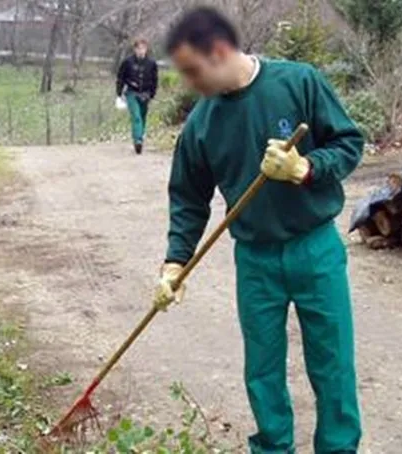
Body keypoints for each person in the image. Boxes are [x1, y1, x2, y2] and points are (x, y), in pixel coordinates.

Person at [153, 7, 365, 454]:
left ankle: (339, 447)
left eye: (196, 71)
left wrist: (306, 167)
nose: (193, 84)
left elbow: (348, 142)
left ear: (222, 50)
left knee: (333, 363)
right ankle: (271, 447)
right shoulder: (202, 123)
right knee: (263, 368)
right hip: (255, 258)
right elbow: (188, 199)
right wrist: (175, 262)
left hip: (315, 247)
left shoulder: (298, 81)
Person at [116, 37, 159, 154]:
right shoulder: (127, 62)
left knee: (143, 116)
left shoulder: (151, 63)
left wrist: (152, 93)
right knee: (136, 117)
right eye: (138, 48)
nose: (141, 51)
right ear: (135, 49)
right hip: (132, 92)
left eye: (143, 48)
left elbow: (155, 79)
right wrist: (119, 93)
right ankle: (138, 140)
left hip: (145, 93)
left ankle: (140, 136)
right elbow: (121, 77)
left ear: (146, 49)